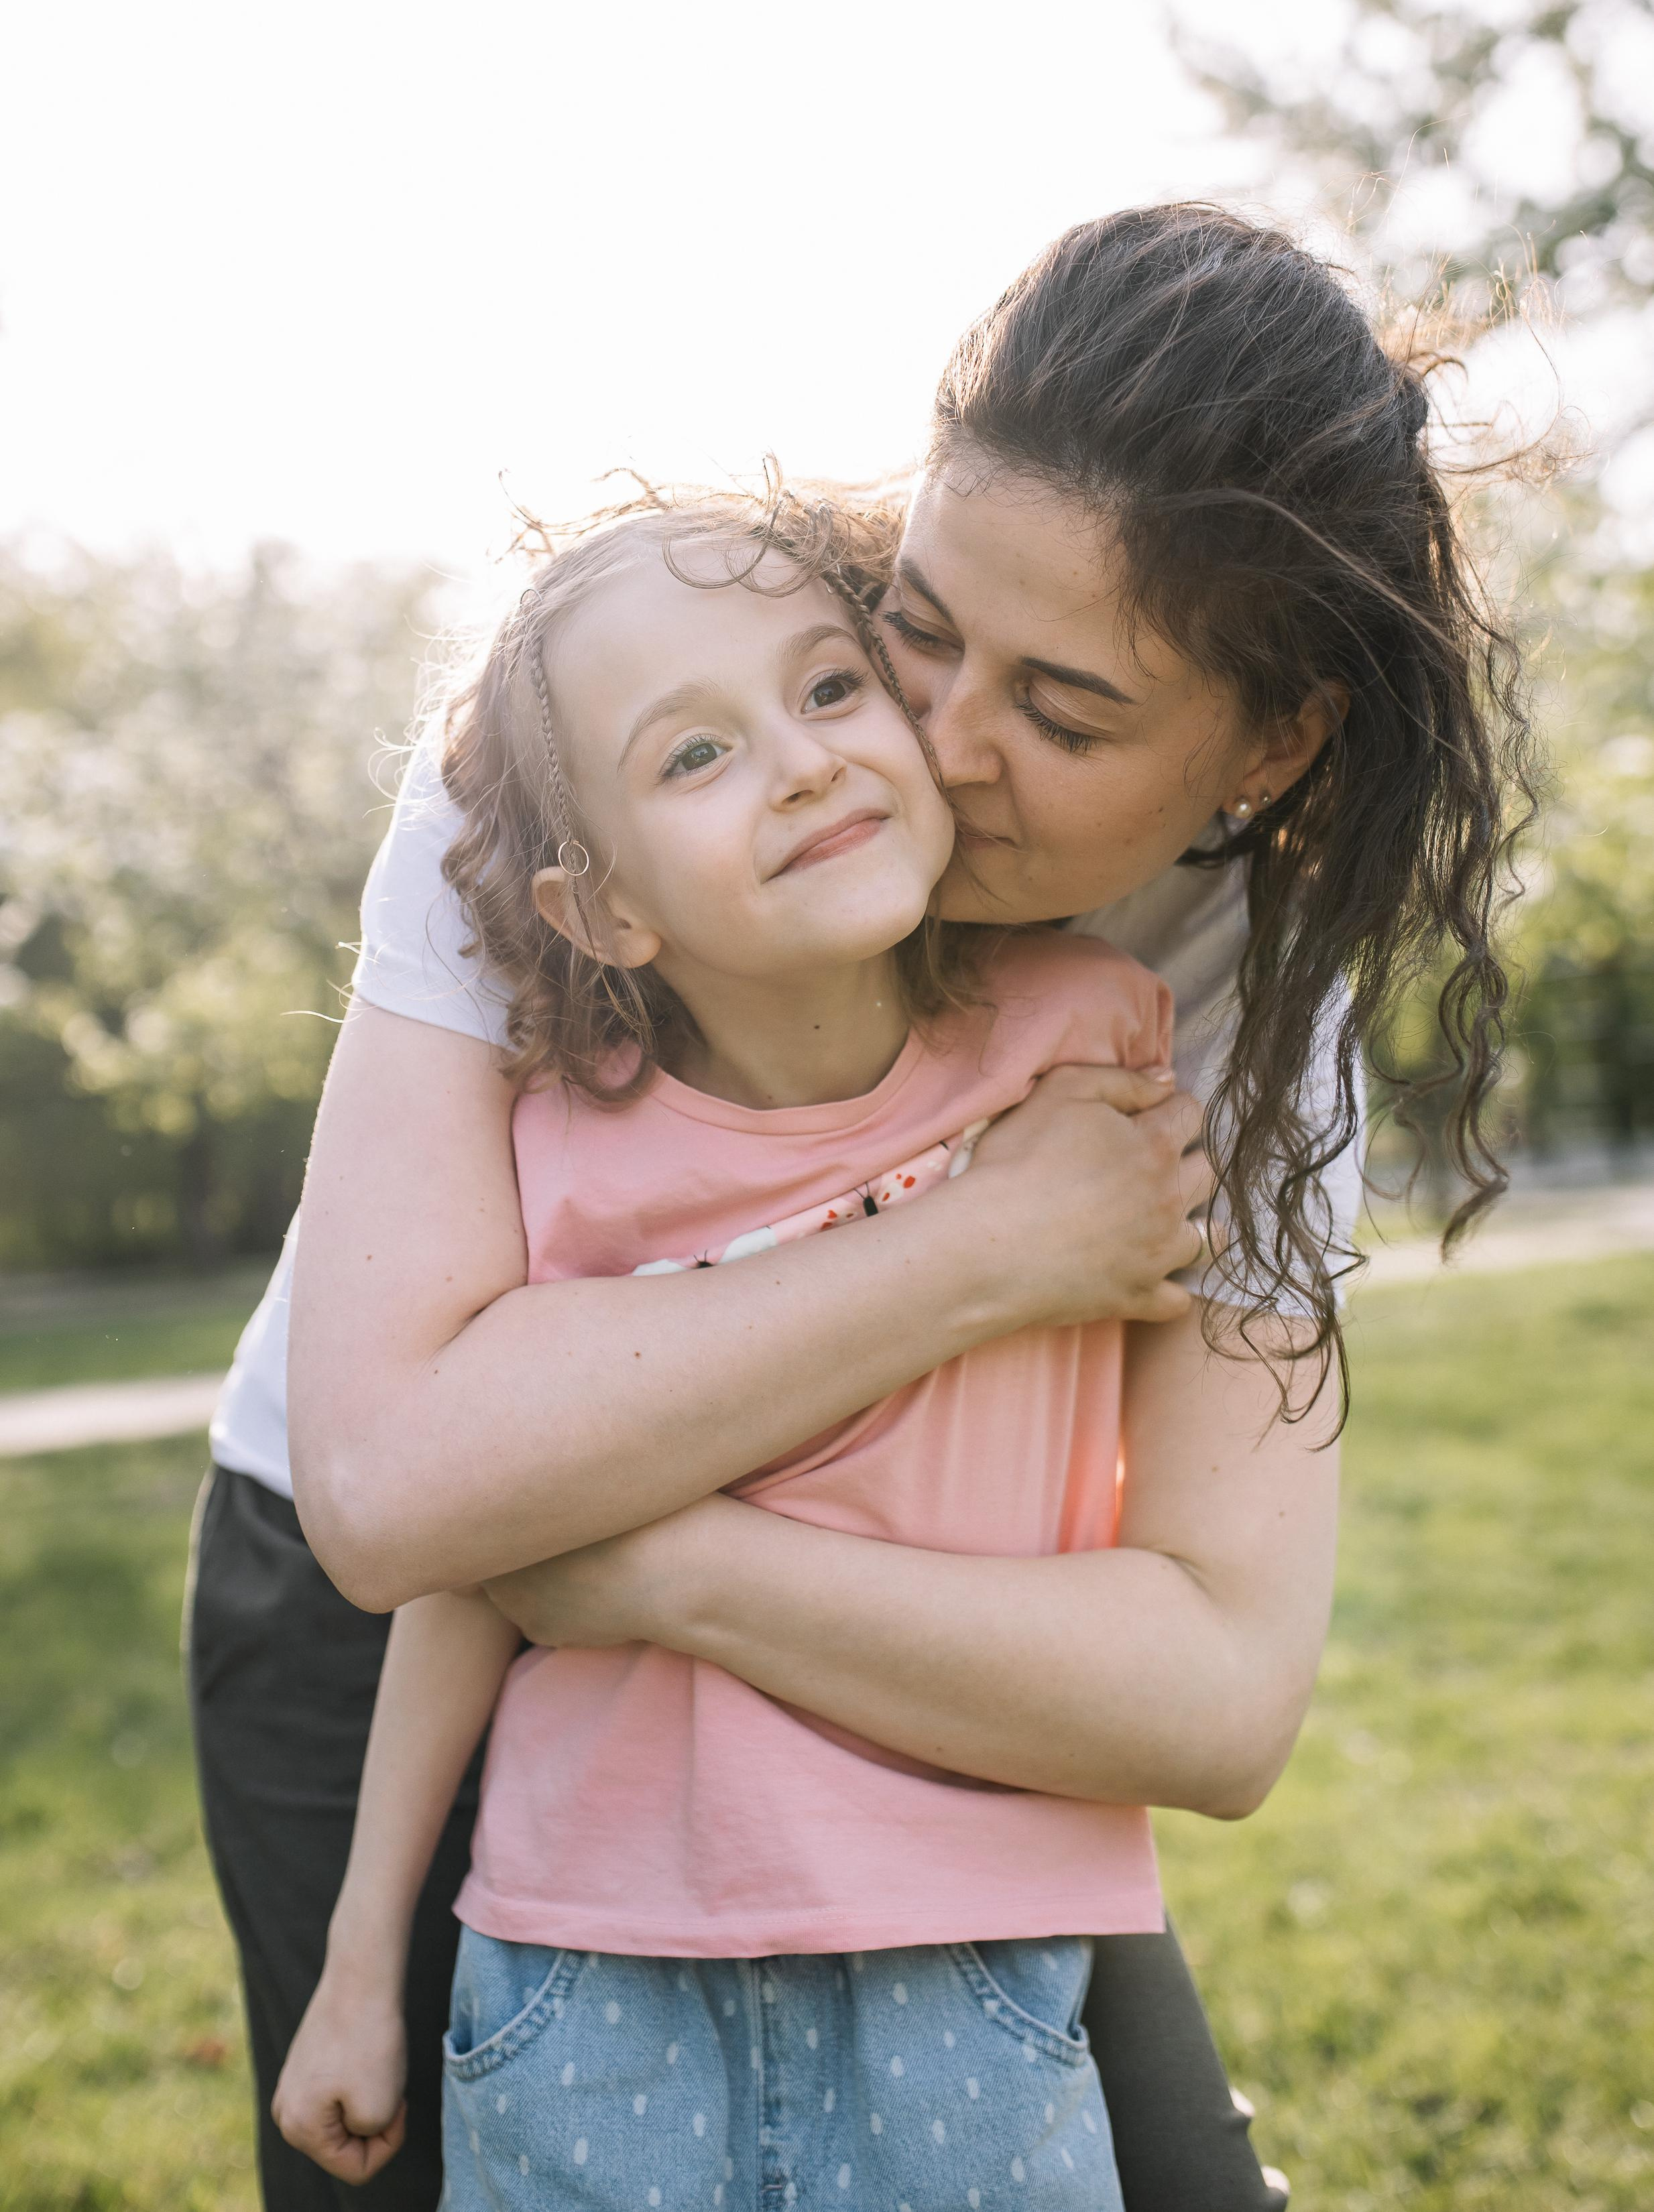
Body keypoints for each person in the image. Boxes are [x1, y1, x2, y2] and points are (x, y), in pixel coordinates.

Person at [188, 205, 1530, 2212]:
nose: (922, 743)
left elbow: (1219, 1690)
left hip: (890, 1678)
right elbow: (398, 1491)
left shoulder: (1253, 988)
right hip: (393, 1646)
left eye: (1064, 715)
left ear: (1271, 743)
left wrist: (664, 1568)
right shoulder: (593, 733)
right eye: (913, 620)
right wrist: (978, 1248)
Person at [271, 494, 1204, 2207]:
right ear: (604, 907)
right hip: (583, 1963)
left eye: (835, 689)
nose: (798, 764)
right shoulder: (561, 1156)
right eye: (696, 754)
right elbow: (462, 1563)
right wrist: (357, 1963)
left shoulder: (1092, 1039)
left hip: (968, 1943)